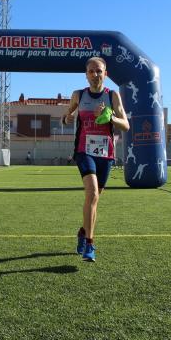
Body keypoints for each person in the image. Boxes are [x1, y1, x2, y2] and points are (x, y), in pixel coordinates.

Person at [62, 57, 129, 262]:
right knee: (91, 193)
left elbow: (125, 125)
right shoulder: (78, 95)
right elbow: (66, 116)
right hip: (84, 150)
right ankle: (90, 245)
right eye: (91, 71)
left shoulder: (113, 96)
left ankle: (83, 232)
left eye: (99, 71)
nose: (95, 74)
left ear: (105, 74)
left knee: (95, 199)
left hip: (106, 154)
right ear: (86, 74)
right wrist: (68, 117)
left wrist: (111, 118)